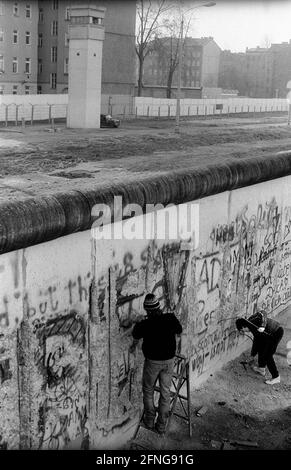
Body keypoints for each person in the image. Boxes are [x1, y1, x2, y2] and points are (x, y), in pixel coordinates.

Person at [131, 293, 182, 434]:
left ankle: (149, 420)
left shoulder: (145, 324)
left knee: (148, 391)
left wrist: (140, 321)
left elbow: (135, 334)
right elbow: (179, 329)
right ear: (159, 306)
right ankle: (161, 425)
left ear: (146, 310)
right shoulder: (170, 318)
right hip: (168, 361)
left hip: (152, 363)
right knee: (165, 393)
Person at [236, 310, 284, 385]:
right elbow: (256, 342)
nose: (244, 332)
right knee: (261, 347)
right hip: (268, 335)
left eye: (242, 330)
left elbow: (263, 313)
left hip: (276, 332)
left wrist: (263, 326)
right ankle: (261, 369)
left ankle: (276, 377)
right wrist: (252, 355)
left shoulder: (252, 321)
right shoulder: (252, 328)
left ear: (243, 326)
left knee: (268, 355)